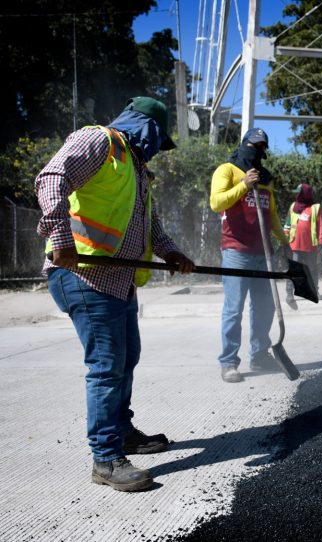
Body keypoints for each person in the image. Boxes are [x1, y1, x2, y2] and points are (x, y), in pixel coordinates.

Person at [35, 97, 195, 491]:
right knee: (107, 365)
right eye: (159, 139)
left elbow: (149, 225)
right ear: (147, 127)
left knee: (127, 357)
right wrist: (59, 238)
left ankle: (122, 432)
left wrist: (171, 252)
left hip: (117, 279)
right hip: (83, 272)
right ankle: (105, 459)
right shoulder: (100, 142)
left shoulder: (137, 170)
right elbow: (52, 177)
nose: (158, 148)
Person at [209, 127, 291, 383]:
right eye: (253, 146)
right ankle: (229, 362)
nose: (256, 151)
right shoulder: (227, 170)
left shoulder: (266, 178)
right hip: (236, 251)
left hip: (262, 251)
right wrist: (244, 185)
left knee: (264, 307)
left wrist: (284, 240)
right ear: (244, 144)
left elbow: (272, 214)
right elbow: (216, 203)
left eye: (261, 147)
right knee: (234, 308)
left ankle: (259, 356)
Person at [283, 183, 322, 309]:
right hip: (295, 245)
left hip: (310, 247)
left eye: (299, 193)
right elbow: (288, 224)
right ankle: (289, 294)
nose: (297, 195)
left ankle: (314, 291)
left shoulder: (315, 208)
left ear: (305, 194)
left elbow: (320, 226)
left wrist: (321, 241)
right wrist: (285, 237)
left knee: (312, 269)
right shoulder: (293, 207)